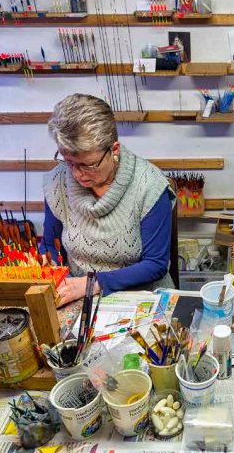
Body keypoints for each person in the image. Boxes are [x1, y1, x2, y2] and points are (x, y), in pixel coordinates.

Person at [43, 94, 175, 305]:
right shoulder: (57, 182)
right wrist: (51, 269)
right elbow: (50, 243)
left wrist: (92, 284)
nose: (78, 174)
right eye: (69, 162)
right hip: (77, 297)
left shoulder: (149, 185)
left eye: (89, 164)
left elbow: (155, 264)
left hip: (140, 298)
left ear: (114, 150)